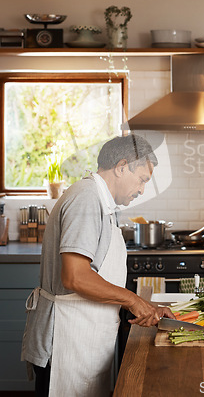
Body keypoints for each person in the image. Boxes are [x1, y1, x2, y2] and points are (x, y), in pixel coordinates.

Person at [21, 134, 174, 397]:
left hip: (84, 342)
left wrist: (144, 305)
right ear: (122, 166)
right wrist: (132, 301)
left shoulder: (105, 204)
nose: (142, 190)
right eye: (142, 179)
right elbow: (75, 277)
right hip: (66, 345)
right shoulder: (86, 198)